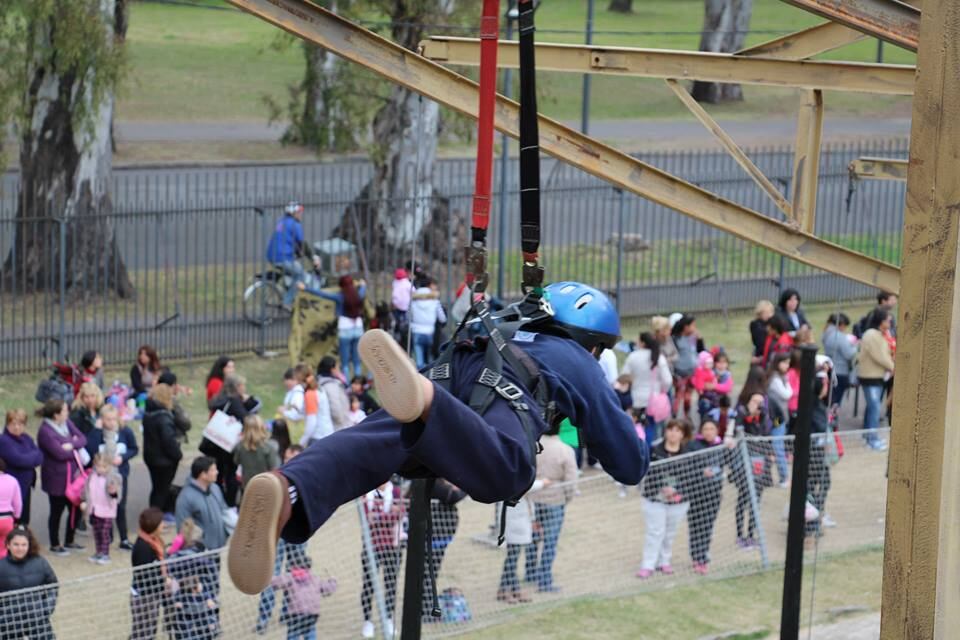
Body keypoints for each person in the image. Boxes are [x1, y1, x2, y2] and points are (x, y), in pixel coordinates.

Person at [227, 282, 649, 597]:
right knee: (508, 472)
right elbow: (629, 464)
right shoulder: (575, 358)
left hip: (453, 366)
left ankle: (289, 488)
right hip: (506, 388)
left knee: (374, 444)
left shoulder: (505, 323)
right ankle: (426, 401)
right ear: (588, 339)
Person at [256, 445, 309, 635]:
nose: (290, 460)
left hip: (297, 533)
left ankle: (289, 612)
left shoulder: (307, 479)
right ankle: (264, 617)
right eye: (287, 457)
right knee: (271, 575)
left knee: (296, 574)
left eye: (294, 457)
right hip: (276, 534)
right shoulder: (275, 477)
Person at [637, 419, 692, 579]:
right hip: (655, 499)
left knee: (670, 532)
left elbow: (690, 477)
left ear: (683, 434)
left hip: (678, 501)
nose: (673, 433)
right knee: (654, 532)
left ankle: (664, 561)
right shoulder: (654, 450)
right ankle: (648, 564)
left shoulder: (688, 453)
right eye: (671, 429)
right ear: (666, 431)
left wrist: (676, 491)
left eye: (677, 430)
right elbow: (648, 473)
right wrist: (662, 488)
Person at [526, 421, 577, 593]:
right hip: (555, 500)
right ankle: (544, 580)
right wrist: (567, 497)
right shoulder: (565, 449)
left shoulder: (533, 447)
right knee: (550, 542)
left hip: (534, 497)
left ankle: (530, 572)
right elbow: (571, 479)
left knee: (533, 538)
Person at [37, 399, 87, 556]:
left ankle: (70, 540)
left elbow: (82, 438)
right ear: (56, 414)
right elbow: (59, 453)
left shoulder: (67, 423)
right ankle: (55, 543)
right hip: (56, 479)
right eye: (65, 410)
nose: (67, 413)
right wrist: (72, 443)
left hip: (74, 477)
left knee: (75, 509)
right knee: (57, 510)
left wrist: (70, 444)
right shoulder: (45, 431)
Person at [85, 404, 138, 550]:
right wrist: (96, 430)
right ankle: (107, 537)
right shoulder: (97, 434)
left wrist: (123, 457)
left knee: (120, 505)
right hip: (101, 476)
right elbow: (90, 449)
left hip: (120, 475)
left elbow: (134, 449)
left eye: (114, 419)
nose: (111, 422)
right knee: (104, 505)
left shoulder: (125, 432)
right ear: (102, 419)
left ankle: (124, 538)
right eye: (108, 419)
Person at [730, 377, 774, 549]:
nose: (758, 404)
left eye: (761, 402)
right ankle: (740, 534)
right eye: (755, 401)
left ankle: (751, 533)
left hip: (761, 463)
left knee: (757, 499)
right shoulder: (741, 413)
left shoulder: (764, 417)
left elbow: (776, 424)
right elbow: (737, 431)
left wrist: (763, 417)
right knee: (743, 499)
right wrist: (749, 415)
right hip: (745, 462)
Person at [206, 374, 261, 505]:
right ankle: (229, 503)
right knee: (231, 473)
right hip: (230, 443)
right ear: (237, 387)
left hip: (218, 441)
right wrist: (248, 401)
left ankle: (216, 499)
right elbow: (246, 417)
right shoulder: (234, 401)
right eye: (243, 385)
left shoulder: (220, 398)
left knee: (218, 471)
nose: (244, 388)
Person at [359, 480, 404, 639]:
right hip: (371, 547)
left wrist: (379, 515)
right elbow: (367, 518)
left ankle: (388, 618)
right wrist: (389, 513)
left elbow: (401, 513)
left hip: (393, 546)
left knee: (390, 583)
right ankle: (367, 621)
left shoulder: (396, 492)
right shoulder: (366, 493)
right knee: (369, 584)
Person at [0, 527, 58, 639]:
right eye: (16, 544)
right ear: (8, 545)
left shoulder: (40, 562)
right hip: (8, 623)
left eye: (23, 545)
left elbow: (53, 586)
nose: (20, 548)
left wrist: (45, 609)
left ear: (28, 546)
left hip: (37, 620)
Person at [421, 478, 466, 619]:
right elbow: (453, 497)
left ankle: (427, 606)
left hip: (440, 539)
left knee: (432, 574)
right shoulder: (433, 484)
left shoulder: (440, 483)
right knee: (428, 576)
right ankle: (426, 609)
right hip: (432, 539)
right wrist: (465, 488)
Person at [686, 419, 726, 575]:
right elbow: (687, 466)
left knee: (708, 525)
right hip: (696, 493)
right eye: (706, 429)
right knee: (695, 525)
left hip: (714, 494)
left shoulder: (721, 447)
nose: (709, 432)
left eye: (712, 428)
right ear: (701, 431)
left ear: (716, 430)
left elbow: (729, 462)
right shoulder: (693, 445)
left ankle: (703, 556)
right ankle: (696, 555)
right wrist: (700, 472)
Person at [266, 201, 321, 308]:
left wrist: (297, 253)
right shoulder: (295, 225)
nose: (301, 214)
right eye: (299, 212)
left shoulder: (282, 221)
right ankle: (287, 301)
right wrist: (312, 257)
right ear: (293, 213)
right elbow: (302, 244)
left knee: (292, 272)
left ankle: (290, 291)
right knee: (300, 275)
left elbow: (289, 241)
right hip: (283, 257)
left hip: (272, 256)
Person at [621, 332, 672, 444]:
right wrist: (663, 390)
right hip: (654, 401)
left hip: (637, 400)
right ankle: (651, 452)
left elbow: (624, 376)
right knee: (653, 429)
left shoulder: (633, 357)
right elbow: (667, 380)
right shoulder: (659, 357)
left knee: (637, 429)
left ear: (643, 343)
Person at [271, 555, 336, 640]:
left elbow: (275, 583)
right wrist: (332, 580)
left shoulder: (290, 577)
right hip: (311, 614)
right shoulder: (315, 579)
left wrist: (270, 576)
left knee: (293, 634)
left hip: (295, 614)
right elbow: (328, 589)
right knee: (310, 633)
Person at [142, 383, 183, 514]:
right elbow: (168, 441)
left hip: (151, 456)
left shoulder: (148, 413)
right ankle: (157, 515)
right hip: (163, 460)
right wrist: (178, 454)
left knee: (157, 488)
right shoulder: (164, 417)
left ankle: (154, 513)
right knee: (162, 489)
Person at [130, 507, 170, 640]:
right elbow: (145, 576)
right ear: (153, 525)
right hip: (144, 596)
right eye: (161, 522)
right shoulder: (143, 547)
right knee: (142, 632)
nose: (164, 524)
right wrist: (164, 581)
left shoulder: (154, 542)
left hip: (152, 595)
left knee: (149, 630)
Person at [857, 310, 895, 451]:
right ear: (881, 321)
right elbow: (880, 356)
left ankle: (867, 436)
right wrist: (893, 367)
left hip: (877, 376)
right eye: (888, 320)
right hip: (870, 377)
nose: (890, 323)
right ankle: (872, 439)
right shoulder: (872, 335)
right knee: (874, 408)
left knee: (872, 407)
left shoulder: (882, 335)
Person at [175, 457, 230, 552]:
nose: (217, 472)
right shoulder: (185, 498)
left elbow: (224, 510)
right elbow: (183, 527)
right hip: (200, 553)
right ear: (203, 474)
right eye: (213, 470)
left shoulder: (215, 489)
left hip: (218, 547)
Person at [0, 410, 42, 526]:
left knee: (24, 519)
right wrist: (31, 457)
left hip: (26, 484)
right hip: (11, 487)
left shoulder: (26, 438)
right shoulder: (4, 440)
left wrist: (29, 458)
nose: (17, 427)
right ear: (7, 424)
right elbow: (19, 460)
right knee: (15, 519)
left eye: (20, 424)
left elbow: (40, 456)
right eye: (13, 424)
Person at [82, 453, 121, 565]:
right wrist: (84, 501)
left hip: (107, 511)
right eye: (98, 466)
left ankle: (105, 554)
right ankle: (98, 552)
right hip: (94, 509)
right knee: (96, 532)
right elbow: (86, 491)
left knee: (104, 533)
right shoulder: (91, 477)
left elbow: (117, 495)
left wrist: (113, 492)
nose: (101, 469)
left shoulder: (112, 478)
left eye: (104, 466)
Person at [765, 354, 793, 488]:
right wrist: (787, 381)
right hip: (776, 418)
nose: (786, 366)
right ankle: (784, 476)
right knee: (776, 446)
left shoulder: (779, 377)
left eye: (788, 363)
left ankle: (783, 476)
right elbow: (787, 394)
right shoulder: (776, 379)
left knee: (776, 445)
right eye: (784, 363)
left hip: (777, 418)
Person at [234, 415, 280, 493]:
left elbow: (236, 461)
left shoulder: (240, 446)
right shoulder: (270, 446)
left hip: (248, 485)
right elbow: (275, 467)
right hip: (266, 486)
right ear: (261, 427)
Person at [410, 278, 447, 369]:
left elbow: (409, 315)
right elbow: (442, 319)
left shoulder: (413, 300)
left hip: (416, 330)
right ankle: (429, 379)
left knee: (419, 361)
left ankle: (419, 379)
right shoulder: (434, 300)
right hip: (430, 331)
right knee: (430, 359)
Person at [822, 313, 858, 407]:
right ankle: (832, 419)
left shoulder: (826, 333)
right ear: (840, 325)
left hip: (830, 368)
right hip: (841, 371)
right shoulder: (840, 337)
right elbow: (849, 354)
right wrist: (855, 346)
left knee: (829, 399)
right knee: (836, 401)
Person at [670, 315, 702, 419]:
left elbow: (700, 351)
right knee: (678, 396)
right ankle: (674, 416)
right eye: (693, 326)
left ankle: (687, 416)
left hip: (692, 372)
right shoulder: (675, 339)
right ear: (686, 327)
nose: (695, 328)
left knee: (688, 397)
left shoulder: (693, 338)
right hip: (680, 373)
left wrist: (700, 340)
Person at [300, 370, 334, 446]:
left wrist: (301, 443)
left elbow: (312, 422)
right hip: (328, 432)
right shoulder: (320, 389)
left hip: (317, 437)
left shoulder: (310, 394)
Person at [316, 357, 351, 431]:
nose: (339, 370)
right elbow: (335, 407)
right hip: (338, 428)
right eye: (337, 367)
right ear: (332, 369)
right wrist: (342, 422)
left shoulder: (320, 382)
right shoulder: (331, 386)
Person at [0, 461, 22, 559]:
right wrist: (17, 517)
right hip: (7, 519)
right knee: (4, 547)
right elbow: (18, 503)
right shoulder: (12, 480)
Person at [280, 367, 306, 440]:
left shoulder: (298, 394)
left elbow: (297, 414)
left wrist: (283, 412)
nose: (285, 383)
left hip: (296, 429)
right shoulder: (291, 392)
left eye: (286, 380)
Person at [749, 300, 775, 364]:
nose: (769, 315)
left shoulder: (772, 323)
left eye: (770, 312)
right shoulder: (755, 324)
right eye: (766, 313)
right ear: (760, 313)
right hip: (761, 353)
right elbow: (760, 342)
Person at [391, 267, 413, 339]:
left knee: (397, 321)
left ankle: (397, 334)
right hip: (406, 306)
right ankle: (404, 335)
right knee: (405, 322)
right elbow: (413, 291)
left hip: (396, 305)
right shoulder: (407, 283)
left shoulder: (395, 283)